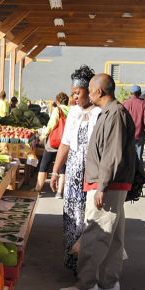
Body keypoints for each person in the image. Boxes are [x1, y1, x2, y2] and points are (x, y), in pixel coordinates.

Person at [58, 74, 135, 290]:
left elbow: (112, 154)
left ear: (99, 92)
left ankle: (86, 285)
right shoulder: (111, 112)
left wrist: (102, 186)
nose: (87, 93)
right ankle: (109, 283)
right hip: (111, 183)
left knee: (95, 234)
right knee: (113, 238)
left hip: (107, 185)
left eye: (90, 90)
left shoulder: (115, 113)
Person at [50, 65, 101, 273]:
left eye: (77, 93)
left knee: (90, 219)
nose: (74, 97)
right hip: (72, 174)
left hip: (92, 174)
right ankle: (73, 262)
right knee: (72, 217)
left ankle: (88, 266)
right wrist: (55, 171)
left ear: (89, 91)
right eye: (72, 93)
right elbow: (65, 143)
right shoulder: (72, 113)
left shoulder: (100, 113)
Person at [34, 92, 70, 198]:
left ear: (58, 101)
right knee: (63, 167)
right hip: (65, 142)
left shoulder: (57, 110)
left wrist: (43, 136)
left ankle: (37, 189)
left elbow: (51, 125)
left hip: (54, 142)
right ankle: (59, 192)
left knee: (44, 165)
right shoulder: (71, 110)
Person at [122, 85, 145, 173]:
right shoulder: (143, 103)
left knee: (127, 155)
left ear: (131, 93)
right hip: (139, 134)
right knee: (138, 156)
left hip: (127, 134)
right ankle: (138, 175)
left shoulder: (125, 103)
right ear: (140, 93)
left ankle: (128, 174)